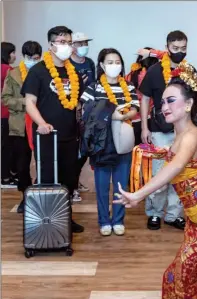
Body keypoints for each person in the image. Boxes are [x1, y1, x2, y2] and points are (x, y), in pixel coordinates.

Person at [114, 63, 197, 299]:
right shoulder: (182, 134)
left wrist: (138, 194)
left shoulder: (191, 134)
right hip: (196, 217)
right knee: (184, 275)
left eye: (171, 100)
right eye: (162, 101)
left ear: (189, 104)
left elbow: (178, 165)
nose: (164, 106)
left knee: (182, 274)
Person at [21, 25, 84, 233]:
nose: (66, 46)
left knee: (69, 179)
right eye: (61, 42)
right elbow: (29, 102)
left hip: (69, 135)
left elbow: (77, 103)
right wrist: (41, 123)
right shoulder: (38, 71)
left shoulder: (73, 71)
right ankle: (45, 221)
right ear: (51, 45)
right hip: (47, 136)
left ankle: (66, 218)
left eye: (68, 42)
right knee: (47, 179)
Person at [81, 48, 139, 236]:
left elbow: (135, 108)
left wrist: (121, 117)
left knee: (121, 183)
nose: (114, 66)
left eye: (117, 62)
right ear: (101, 65)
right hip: (101, 142)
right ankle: (104, 220)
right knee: (102, 184)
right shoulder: (94, 87)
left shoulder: (128, 86)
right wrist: (109, 115)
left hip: (123, 138)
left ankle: (118, 220)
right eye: (110, 62)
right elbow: (86, 111)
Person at [139, 30, 189, 231]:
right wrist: (144, 126)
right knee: (160, 174)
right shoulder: (155, 71)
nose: (179, 52)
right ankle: (154, 213)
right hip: (160, 129)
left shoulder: (188, 71)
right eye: (175, 48)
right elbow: (144, 98)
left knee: (179, 173)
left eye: (183, 48)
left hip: (183, 131)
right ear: (167, 47)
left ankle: (173, 214)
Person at [2, 41, 42, 213]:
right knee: (22, 164)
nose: (32, 61)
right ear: (23, 56)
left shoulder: (45, 73)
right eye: (28, 58)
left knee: (43, 162)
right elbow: (5, 99)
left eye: (36, 58)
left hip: (41, 124)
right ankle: (25, 196)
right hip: (19, 125)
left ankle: (41, 195)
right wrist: (25, 103)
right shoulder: (14, 74)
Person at [70, 32, 96, 199]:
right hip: (72, 112)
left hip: (89, 112)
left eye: (85, 43)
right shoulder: (67, 64)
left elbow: (93, 85)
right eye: (79, 43)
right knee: (73, 151)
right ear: (72, 46)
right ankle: (71, 186)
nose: (83, 46)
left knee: (85, 149)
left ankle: (75, 180)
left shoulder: (90, 63)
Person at [125, 47, 159, 145]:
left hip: (133, 120)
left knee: (136, 153)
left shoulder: (129, 76)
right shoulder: (153, 75)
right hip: (149, 120)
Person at [1, 42, 17, 188]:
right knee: (8, 147)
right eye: (12, 52)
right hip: (6, 114)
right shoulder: (9, 70)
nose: (14, 55)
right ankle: (6, 178)